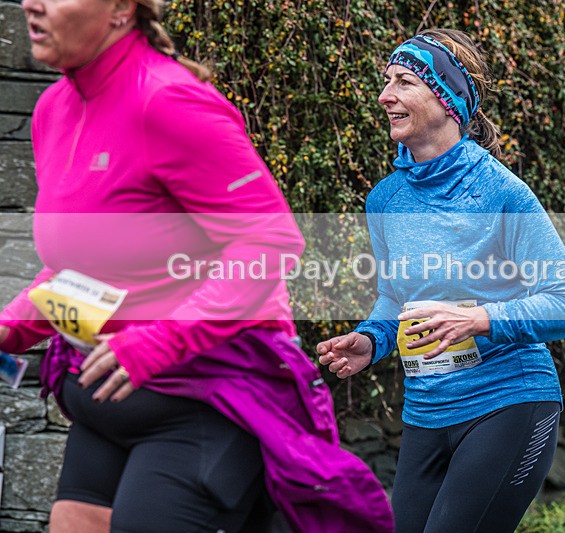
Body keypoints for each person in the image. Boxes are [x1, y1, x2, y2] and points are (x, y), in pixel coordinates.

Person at [3, 0, 392, 532]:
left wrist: (159, 341)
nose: (32, 2)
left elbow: (269, 245)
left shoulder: (169, 101)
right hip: (103, 401)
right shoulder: (53, 109)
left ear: (120, 9)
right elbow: (84, 268)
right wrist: (10, 328)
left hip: (203, 405)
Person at [317, 29, 565, 532]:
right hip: (427, 410)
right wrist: (372, 338)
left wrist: (480, 319)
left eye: (403, 82)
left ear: (446, 98)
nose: (385, 96)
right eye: (385, 81)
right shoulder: (385, 200)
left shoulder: (501, 191)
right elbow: (395, 295)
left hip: (509, 401)